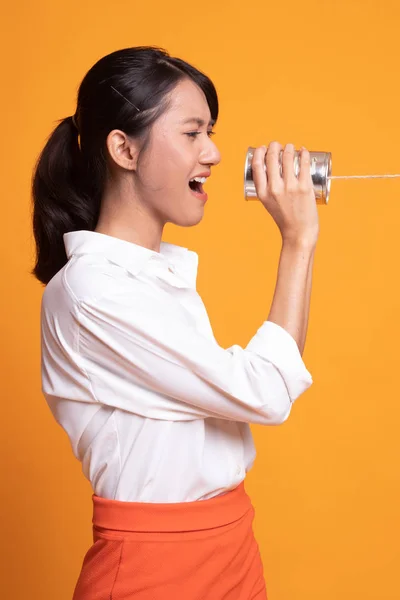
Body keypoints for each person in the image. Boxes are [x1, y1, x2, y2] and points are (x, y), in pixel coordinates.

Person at [31, 46, 319, 600]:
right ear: (124, 149)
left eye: (211, 131)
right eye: (192, 133)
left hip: (233, 545)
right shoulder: (93, 290)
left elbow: (264, 385)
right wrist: (298, 240)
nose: (212, 151)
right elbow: (266, 392)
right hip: (154, 570)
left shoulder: (155, 278)